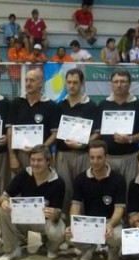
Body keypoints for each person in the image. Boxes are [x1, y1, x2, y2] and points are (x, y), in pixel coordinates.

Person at [0, 145, 66, 260]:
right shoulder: (24, 174)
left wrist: (54, 213)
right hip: (23, 219)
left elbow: (59, 211)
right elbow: (4, 195)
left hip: (44, 221)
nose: (35, 164)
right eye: (32, 160)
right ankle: (12, 250)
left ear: (48, 161)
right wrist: (3, 201)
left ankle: (52, 248)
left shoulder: (58, 182)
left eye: (39, 160)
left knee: (57, 232)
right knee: (2, 210)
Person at [67, 140, 126, 260]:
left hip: (110, 221)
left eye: (99, 157)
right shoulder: (80, 178)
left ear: (106, 157)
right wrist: (74, 223)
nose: (95, 161)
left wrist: (110, 225)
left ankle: (113, 250)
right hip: (90, 222)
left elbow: (119, 209)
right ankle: (89, 248)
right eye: (92, 157)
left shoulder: (118, 179)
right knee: (68, 234)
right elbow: (75, 205)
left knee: (118, 236)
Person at [55, 68, 99, 218]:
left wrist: (83, 144)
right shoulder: (59, 106)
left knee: (85, 191)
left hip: (83, 155)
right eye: (69, 82)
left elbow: (97, 133)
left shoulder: (91, 106)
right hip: (63, 155)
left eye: (75, 82)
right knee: (65, 191)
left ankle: (85, 230)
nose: (71, 85)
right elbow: (55, 132)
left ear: (81, 84)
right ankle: (67, 230)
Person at [97, 70, 139, 184]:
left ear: (130, 84)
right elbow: (98, 131)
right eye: (116, 81)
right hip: (108, 158)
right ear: (111, 84)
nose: (119, 85)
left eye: (123, 81)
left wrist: (130, 139)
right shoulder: (103, 105)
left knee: (130, 191)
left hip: (131, 158)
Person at [8, 69, 60, 172]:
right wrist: (12, 156)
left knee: (43, 186)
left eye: (32, 80)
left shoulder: (51, 106)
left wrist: (40, 149)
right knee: (19, 186)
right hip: (20, 155)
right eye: (26, 80)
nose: (28, 83)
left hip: (42, 156)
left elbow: (55, 134)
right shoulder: (16, 103)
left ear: (40, 83)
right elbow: (10, 131)